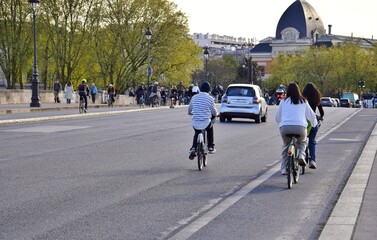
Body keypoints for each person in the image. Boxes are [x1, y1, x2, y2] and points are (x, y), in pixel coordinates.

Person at [275, 82, 317, 175]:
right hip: (300, 128)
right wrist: (314, 124)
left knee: (286, 146)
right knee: (303, 142)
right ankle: (301, 155)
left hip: (285, 128)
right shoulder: (304, 101)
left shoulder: (283, 101)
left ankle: (284, 169)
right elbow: (312, 116)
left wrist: (281, 123)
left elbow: (277, 118)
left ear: (287, 91)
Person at [188, 81, 219, 159]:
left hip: (195, 122)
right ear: (209, 90)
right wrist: (217, 114)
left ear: (200, 89)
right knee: (210, 128)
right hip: (206, 122)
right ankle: (210, 146)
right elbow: (214, 112)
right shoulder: (210, 98)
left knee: (197, 132)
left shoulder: (194, 97)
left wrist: (191, 113)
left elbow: (189, 110)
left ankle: (193, 148)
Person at [302, 82, 324, 169]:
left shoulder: (303, 98)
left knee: (300, 140)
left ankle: (300, 155)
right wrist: (320, 117)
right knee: (312, 141)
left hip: (303, 121)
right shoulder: (316, 98)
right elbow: (322, 112)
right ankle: (312, 160)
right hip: (312, 121)